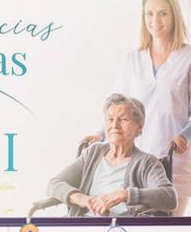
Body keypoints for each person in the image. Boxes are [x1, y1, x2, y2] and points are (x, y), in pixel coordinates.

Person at [86, 0, 191, 216]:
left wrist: (184, 136)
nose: (155, 20)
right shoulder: (133, 59)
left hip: (173, 157)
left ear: (174, 16)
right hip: (134, 158)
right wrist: (101, 134)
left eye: (163, 13)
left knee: (169, 224)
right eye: (149, 13)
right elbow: (118, 107)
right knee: (132, 223)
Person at [46, 93, 176, 217]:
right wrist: (83, 199)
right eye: (110, 119)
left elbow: (170, 197)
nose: (114, 125)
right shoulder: (94, 152)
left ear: (139, 127)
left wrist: (124, 195)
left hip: (121, 228)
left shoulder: (146, 162)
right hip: (83, 224)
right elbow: (54, 184)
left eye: (123, 119)